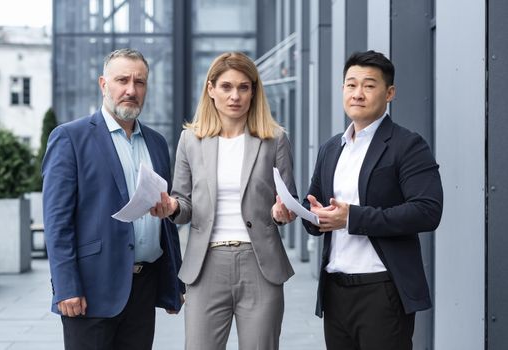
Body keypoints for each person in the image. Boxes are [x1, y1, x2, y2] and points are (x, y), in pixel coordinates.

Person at [151, 51, 297, 350]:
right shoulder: (191, 141)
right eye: (227, 87)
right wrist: (173, 207)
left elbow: (288, 200)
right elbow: (183, 203)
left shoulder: (274, 139)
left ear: (254, 92)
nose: (235, 96)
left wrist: (282, 212)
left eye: (244, 87)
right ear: (211, 89)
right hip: (206, 265)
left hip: (260, 265)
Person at [42, 48, 184, 350]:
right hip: (91, 289)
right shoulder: (70, 138)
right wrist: (66, 286)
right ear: (104, 84)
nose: (131, 90)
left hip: (143, 288)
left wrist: (175, 281)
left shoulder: (157, 144)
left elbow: (166, 224)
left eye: (140, 82)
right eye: (122, 80)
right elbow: (57, 221)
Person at [302, 50, 443, 350]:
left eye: (369, 85)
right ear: (343, 89)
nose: (358, 93)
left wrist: (352, 218)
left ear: (389, 93)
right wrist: (311, 215)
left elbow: (427, 211)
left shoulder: (408, 145)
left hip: (383, 291)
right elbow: (313, 206)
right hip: (335, 292)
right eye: (351, 85)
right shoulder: (331, 149)